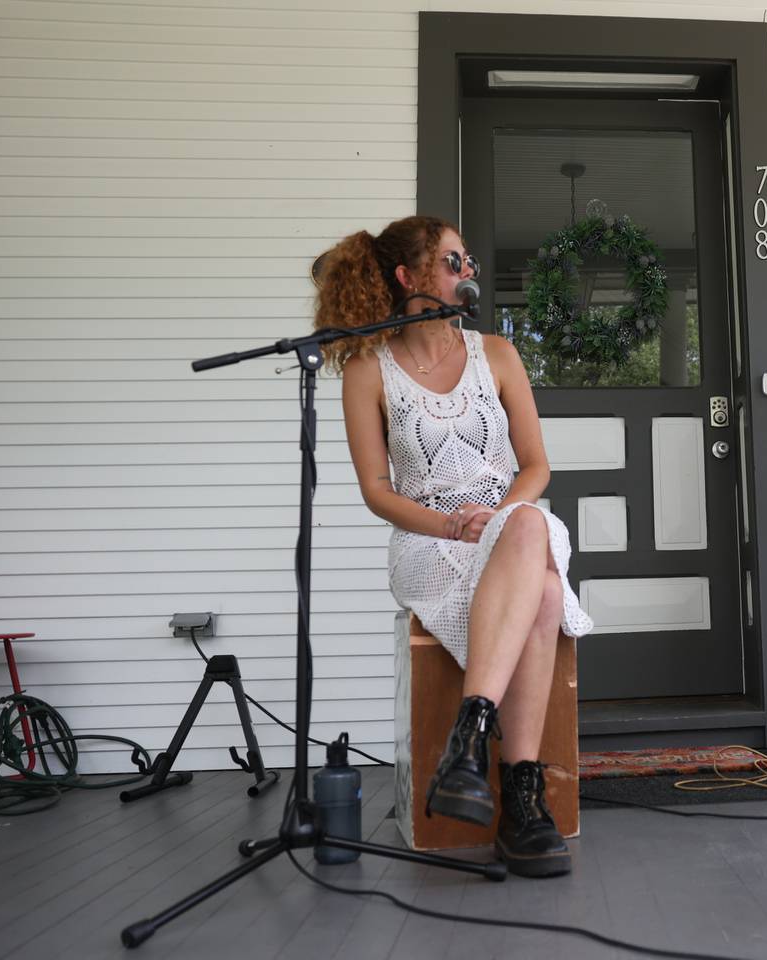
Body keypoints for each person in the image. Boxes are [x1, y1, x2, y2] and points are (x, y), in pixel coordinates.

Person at [313, 215, 592, 878]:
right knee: (545, 589)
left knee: (527, 526)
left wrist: (492, 515)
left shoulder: (497, 353)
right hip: (427, 542)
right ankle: (522, 803)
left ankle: (470, 739)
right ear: (409, 278)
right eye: (452, 261)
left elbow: (536, 466)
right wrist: (450, 527)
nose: (468, 271)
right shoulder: (365, 369)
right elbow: (377, 491)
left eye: (467, 260)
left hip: (506, 526)